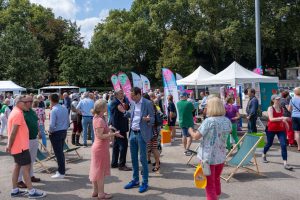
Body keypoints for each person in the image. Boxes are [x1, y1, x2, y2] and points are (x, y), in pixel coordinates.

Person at [188, 96, 232, 200]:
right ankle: (217, 196)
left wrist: (190, 130)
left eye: (207, 106)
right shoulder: (227, 121)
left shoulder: (209, 121)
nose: (205, 108)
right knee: (216, 179)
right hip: (221, 156)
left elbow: (196, 136)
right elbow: (228, 132)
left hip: (207, 159)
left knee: (209, 183)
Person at [6, 95, 46, 198]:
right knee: (26, 168)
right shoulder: (18, 114)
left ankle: (15, 190)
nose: (29, 104)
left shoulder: (15, 112)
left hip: (19, 146)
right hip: (21, 147)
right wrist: (9, 145)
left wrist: (10, 146)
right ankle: (31, 192)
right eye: (26, 102)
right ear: (19, 103)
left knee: (18, 167)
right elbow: (14, 132)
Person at [121, 87, 155, 193]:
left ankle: (145, 182)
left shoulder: (148, 103)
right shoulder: (133, 103)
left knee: (143, 159)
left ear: (138, 94)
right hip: (132, 133)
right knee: (134, 158)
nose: (131, 98)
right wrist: (124, 112)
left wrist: (148, 120)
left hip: (141, 134)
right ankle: (135, 180)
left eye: (133, 96)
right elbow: (132, 116)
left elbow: (153, 119)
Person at [89, 99, 124, 199]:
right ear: (102, 108)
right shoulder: (99, 119)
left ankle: (96, 191)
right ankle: (101, 193)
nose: (107, 108)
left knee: (96, 170)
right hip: (100, 148)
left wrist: (110, 128)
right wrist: (113, 134)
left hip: (99, 147)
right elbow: (100, 135)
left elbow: (102, 130)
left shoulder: (99, 117)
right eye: (105, 106)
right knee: (100, 172)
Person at [263, 95, 292, 170]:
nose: (279, 100)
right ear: (273, 100)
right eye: (277, 99)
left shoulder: (282, 108)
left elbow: (282, 119)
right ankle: (264, 154)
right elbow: (271, 119)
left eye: (279, 99)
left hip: (280, 129)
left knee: (283, 144)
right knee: (269, 143)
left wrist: (285, 123)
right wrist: (282, 118)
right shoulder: (270, 108)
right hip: (271, 129)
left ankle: (285, 163)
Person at [17, 96, 41, 188]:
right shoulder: (21, 113)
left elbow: (36, 122)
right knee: (22, 162)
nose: (31, 103)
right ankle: (19, 180)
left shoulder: (32, 111)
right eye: (29, 101)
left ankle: (30, 176)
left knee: (32, 159)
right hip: (25, 140)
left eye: (31, 101)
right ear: (24, 102)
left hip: (33, 138)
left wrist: (39, 131)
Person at [110, 89, 131, 171]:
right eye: (121, 93)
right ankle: (121, 165)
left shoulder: (117, 101)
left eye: (122, 93)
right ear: (116, 95)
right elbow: (124, 112)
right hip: (119, 127)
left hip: (117, 127)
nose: (123, 94)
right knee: (123, 145)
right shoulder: (116, 103)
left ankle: (114, 163)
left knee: (116, 145)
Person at [49, 93, 70, 179]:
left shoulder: (54, 110)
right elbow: (68, 121)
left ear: (51, 100)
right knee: (60, 152)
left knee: (59, 153)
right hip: (63, 131)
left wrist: (50, 131)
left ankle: (61, 172)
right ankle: (61, 170)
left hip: (57, 132)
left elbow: (52, 124)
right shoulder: (64, 108)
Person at [144, 93, 161, 172]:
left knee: (151, 148)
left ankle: (156, 164)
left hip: (150, 130)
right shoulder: (153, 105)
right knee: (153, 147)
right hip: (153, 130)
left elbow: (150, 120)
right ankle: (156, 163)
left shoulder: (148, 107)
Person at [177, 92, 194, 156]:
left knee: (184, 135)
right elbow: (193, 110)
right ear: (185, 96)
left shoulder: (178, 103)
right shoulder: (189, 103)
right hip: (189, 122)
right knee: (189, 136)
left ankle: (185, 149)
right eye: (187, 96)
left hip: (182, 121)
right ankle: (187, 149)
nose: (187, 97)